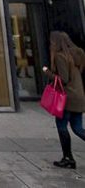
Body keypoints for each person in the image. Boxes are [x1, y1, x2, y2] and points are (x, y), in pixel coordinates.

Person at [43, 31, 85, 169]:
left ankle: (68, 158)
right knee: (78, 128)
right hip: (78, 96)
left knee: (62, 127)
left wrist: (47, 72)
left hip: (66, 99)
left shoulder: (61, 57)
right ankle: (68, 158)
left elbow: (63, 79)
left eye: (52, 42)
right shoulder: (77, 55)